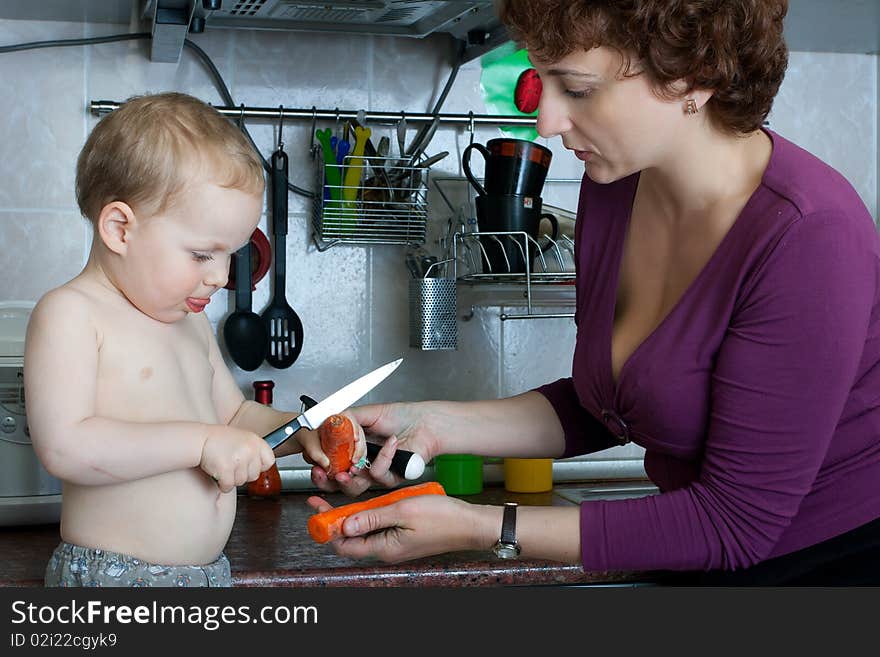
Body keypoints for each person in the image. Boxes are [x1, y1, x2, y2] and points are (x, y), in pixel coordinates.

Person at [305, 0, 880, 585]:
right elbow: (609, 403)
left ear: (692, 78)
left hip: (827, 569)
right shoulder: (614, 186)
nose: (546, 122)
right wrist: (429, 423)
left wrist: (481, 526)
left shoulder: (808, 235)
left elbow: (734, 525)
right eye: (541, 81)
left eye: (576, 89)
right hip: (694, 560)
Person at [24, 92, 365, 587]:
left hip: (208, 577)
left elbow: (234, 418)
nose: (221, 276)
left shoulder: (188, 323)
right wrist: (202, 442)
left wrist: (301, 433)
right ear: (120, 229)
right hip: (117, 582)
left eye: (233, 255)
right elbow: (66, 447)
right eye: (203, 255)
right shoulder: (71, 314)